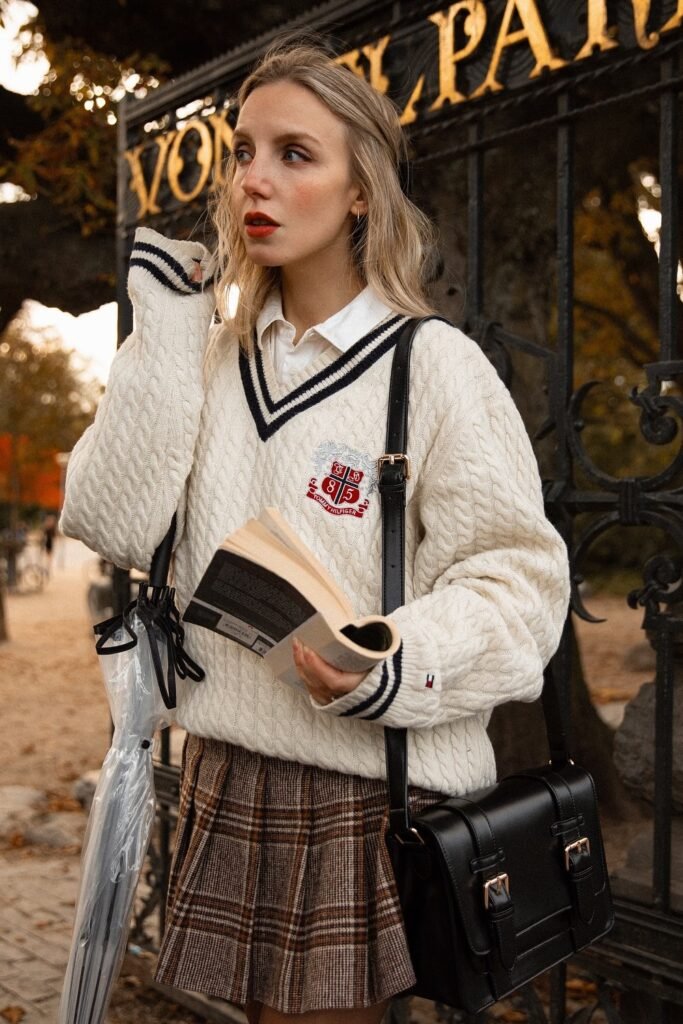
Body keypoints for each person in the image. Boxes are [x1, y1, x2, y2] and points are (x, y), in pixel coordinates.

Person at [59, 38, 570, 1024]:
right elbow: (110, 518)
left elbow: (519, 584)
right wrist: (163, 325)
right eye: (244, 150)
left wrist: (388, 656)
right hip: (225, 765)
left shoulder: (435, 367)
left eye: (295, 154)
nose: (255, 176)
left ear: (358, 194)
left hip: (359, 789)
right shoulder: (203, 357)